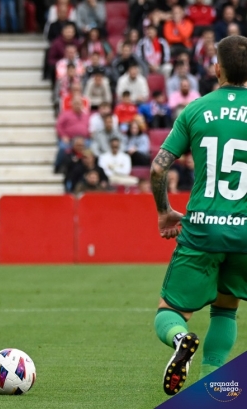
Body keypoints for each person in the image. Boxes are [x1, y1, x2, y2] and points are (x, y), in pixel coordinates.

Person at [149, 35, 247, 397]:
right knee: (226, 307)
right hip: (245, 232)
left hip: (203, 226)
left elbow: (159, 170)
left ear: (216, 67)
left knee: (169, 310)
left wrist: (163, 212)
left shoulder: (195, 109)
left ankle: (180, 339)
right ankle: (214, 390)